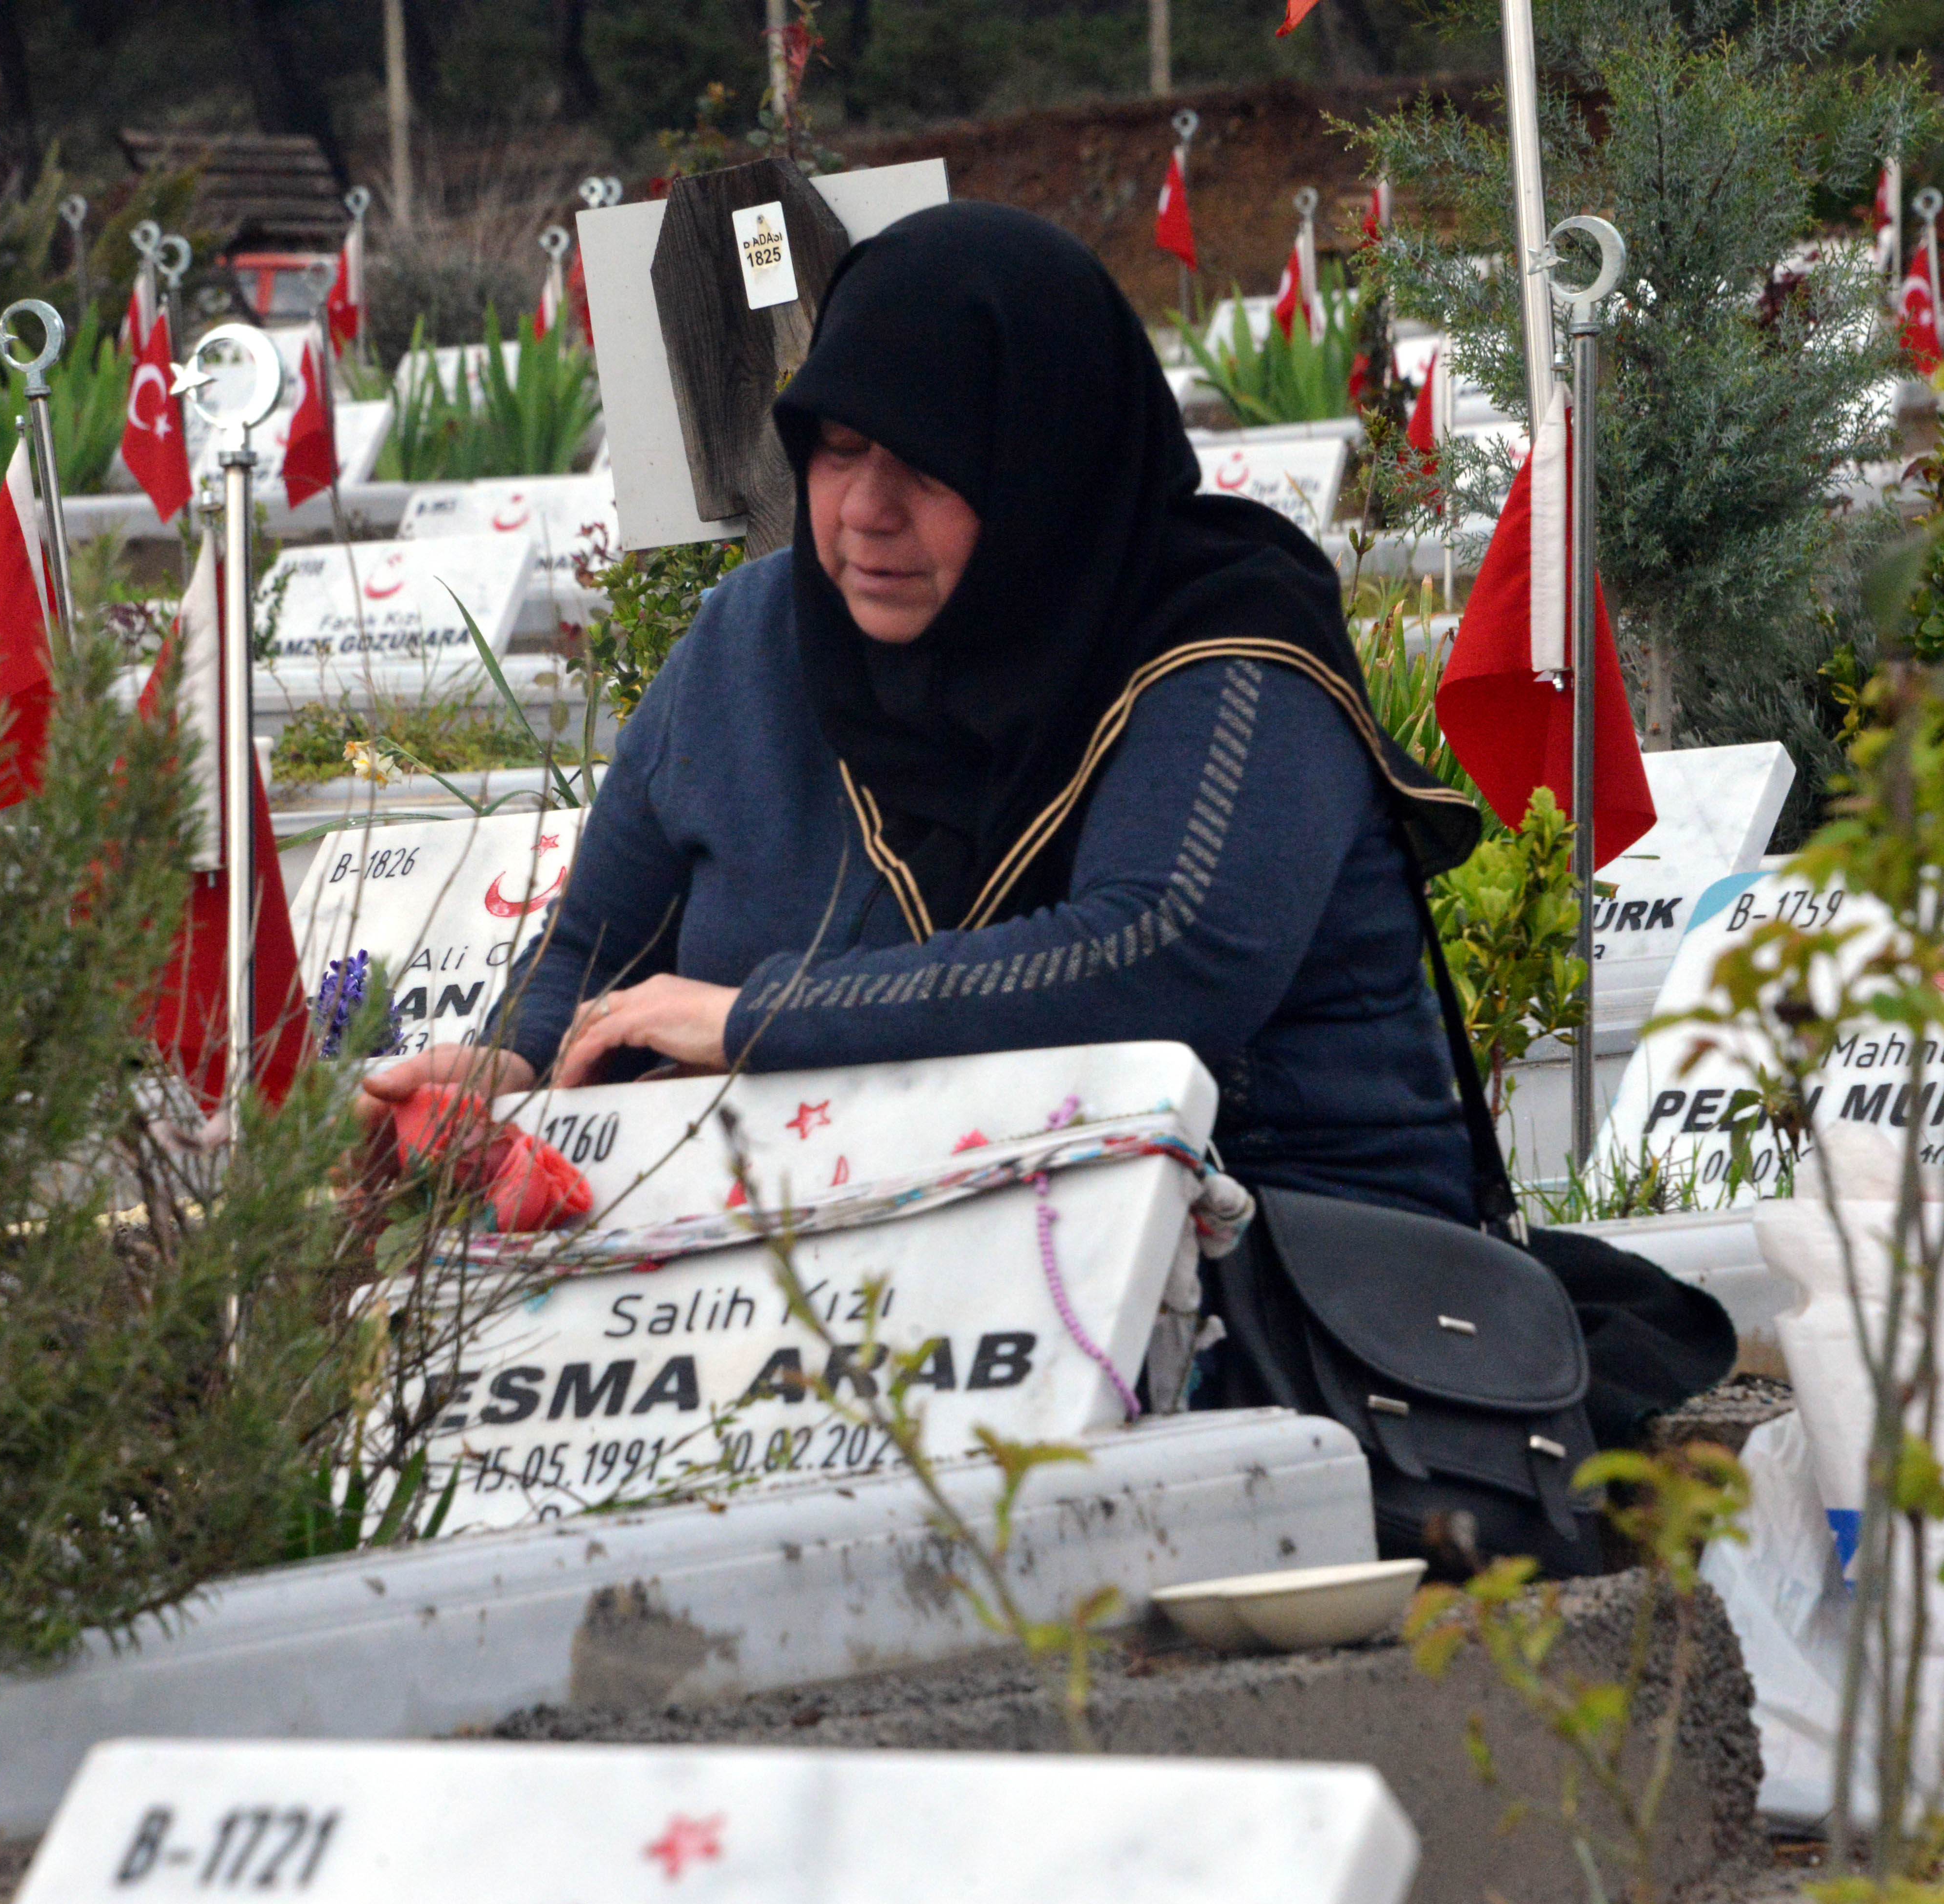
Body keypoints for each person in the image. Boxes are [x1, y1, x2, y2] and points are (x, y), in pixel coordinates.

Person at [360, 201, 1486, 1223]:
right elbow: (595, 955)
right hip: (861, 1267)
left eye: (928, 465)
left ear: (1040, 462)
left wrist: (756, 1019)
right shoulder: (752, 641)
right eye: (835, 450)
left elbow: (1156, 959)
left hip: (1283, 1264)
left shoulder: (1229, 651)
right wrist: (509, 1065)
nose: (862, 512)